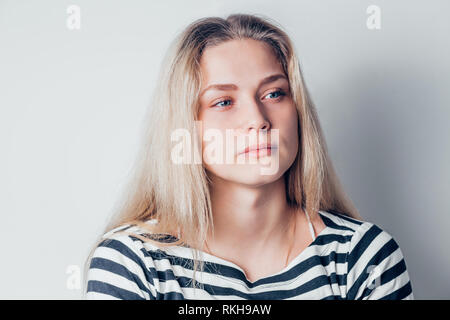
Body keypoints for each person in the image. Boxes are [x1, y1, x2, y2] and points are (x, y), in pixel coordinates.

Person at [84, 13, 414, 300]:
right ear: (186, 125)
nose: (258, 119)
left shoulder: (364, 258)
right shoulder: (133, 262)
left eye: (274, 93)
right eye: (224, 102)